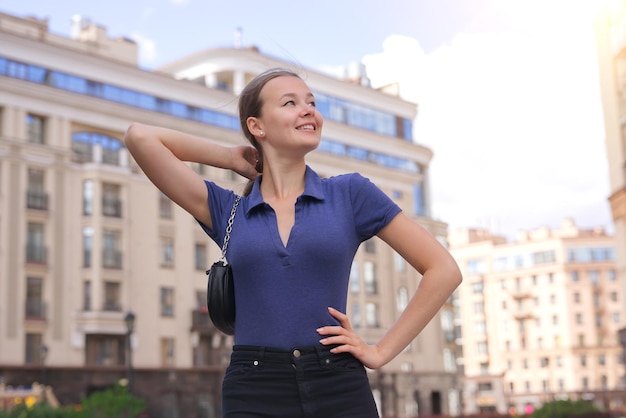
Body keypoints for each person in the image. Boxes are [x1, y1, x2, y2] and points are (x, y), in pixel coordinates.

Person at [124, 68, 462, 418]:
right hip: (254, 386)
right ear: (257, 126)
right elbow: (140, 137)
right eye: (290, 102)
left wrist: (381, 352)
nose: (308, 110)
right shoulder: (227, 209)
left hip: (338, 383)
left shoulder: (350, 194)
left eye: (311, 103)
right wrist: (227, 157)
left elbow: (443, 270)